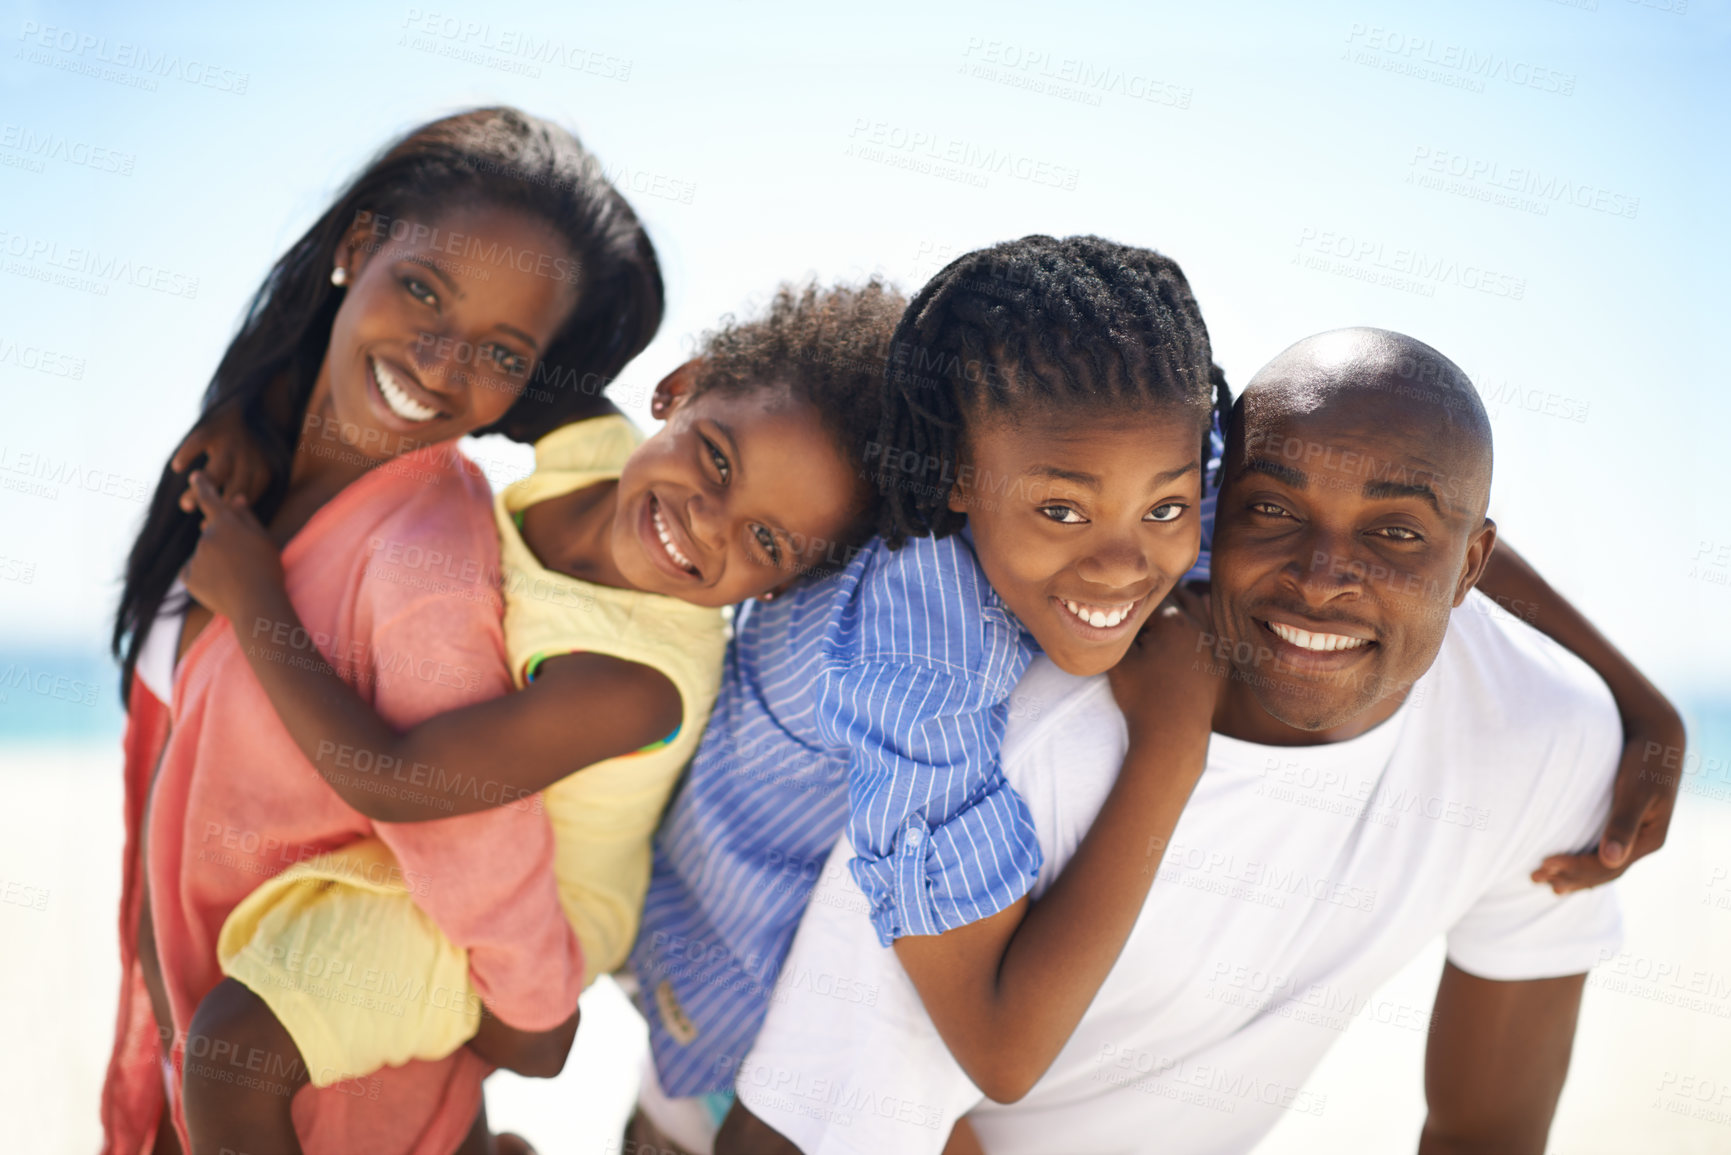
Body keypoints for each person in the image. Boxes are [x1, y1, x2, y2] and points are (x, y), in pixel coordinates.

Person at [726, 327, 1686, 1155]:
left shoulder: (1543, 738)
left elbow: (1485, 1134)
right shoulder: (1003, 752)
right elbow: (789, 1135)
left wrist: (1648, 703)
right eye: (1273, 510)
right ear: (1215, 510)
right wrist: (1166, 752)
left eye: (1395, 533)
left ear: (1469, 561)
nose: (1321, 577)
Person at [172, 280, 902, 1154]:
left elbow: (401, 779)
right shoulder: (590, 441)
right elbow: (449, 373)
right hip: (428, 820)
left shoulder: (637, 677)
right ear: (680, 387)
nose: (708, 522)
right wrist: (251, 413)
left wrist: (254, 597)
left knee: (228, 1056)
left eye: (766, 542)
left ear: (779, 587)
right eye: (714, 458)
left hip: (538, 910)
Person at [102, 107, 662, 1155]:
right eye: (421, 290)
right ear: (357, 249)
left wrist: (532, 1005)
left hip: (331, 1114)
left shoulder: (426, 557)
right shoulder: (245, 467)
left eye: (500, 349)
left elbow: (466, 823)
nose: (441, 361)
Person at [629, 235, 1234, 1153]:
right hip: (726, 1015)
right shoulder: (912, 665)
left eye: (1164, 509)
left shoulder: (1112, 441)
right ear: (955, 474)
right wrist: (1171, 745)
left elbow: (1383, 474)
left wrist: (1541, 634)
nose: (1121, 562)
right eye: (1062, 512)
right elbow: (1001, 1046)